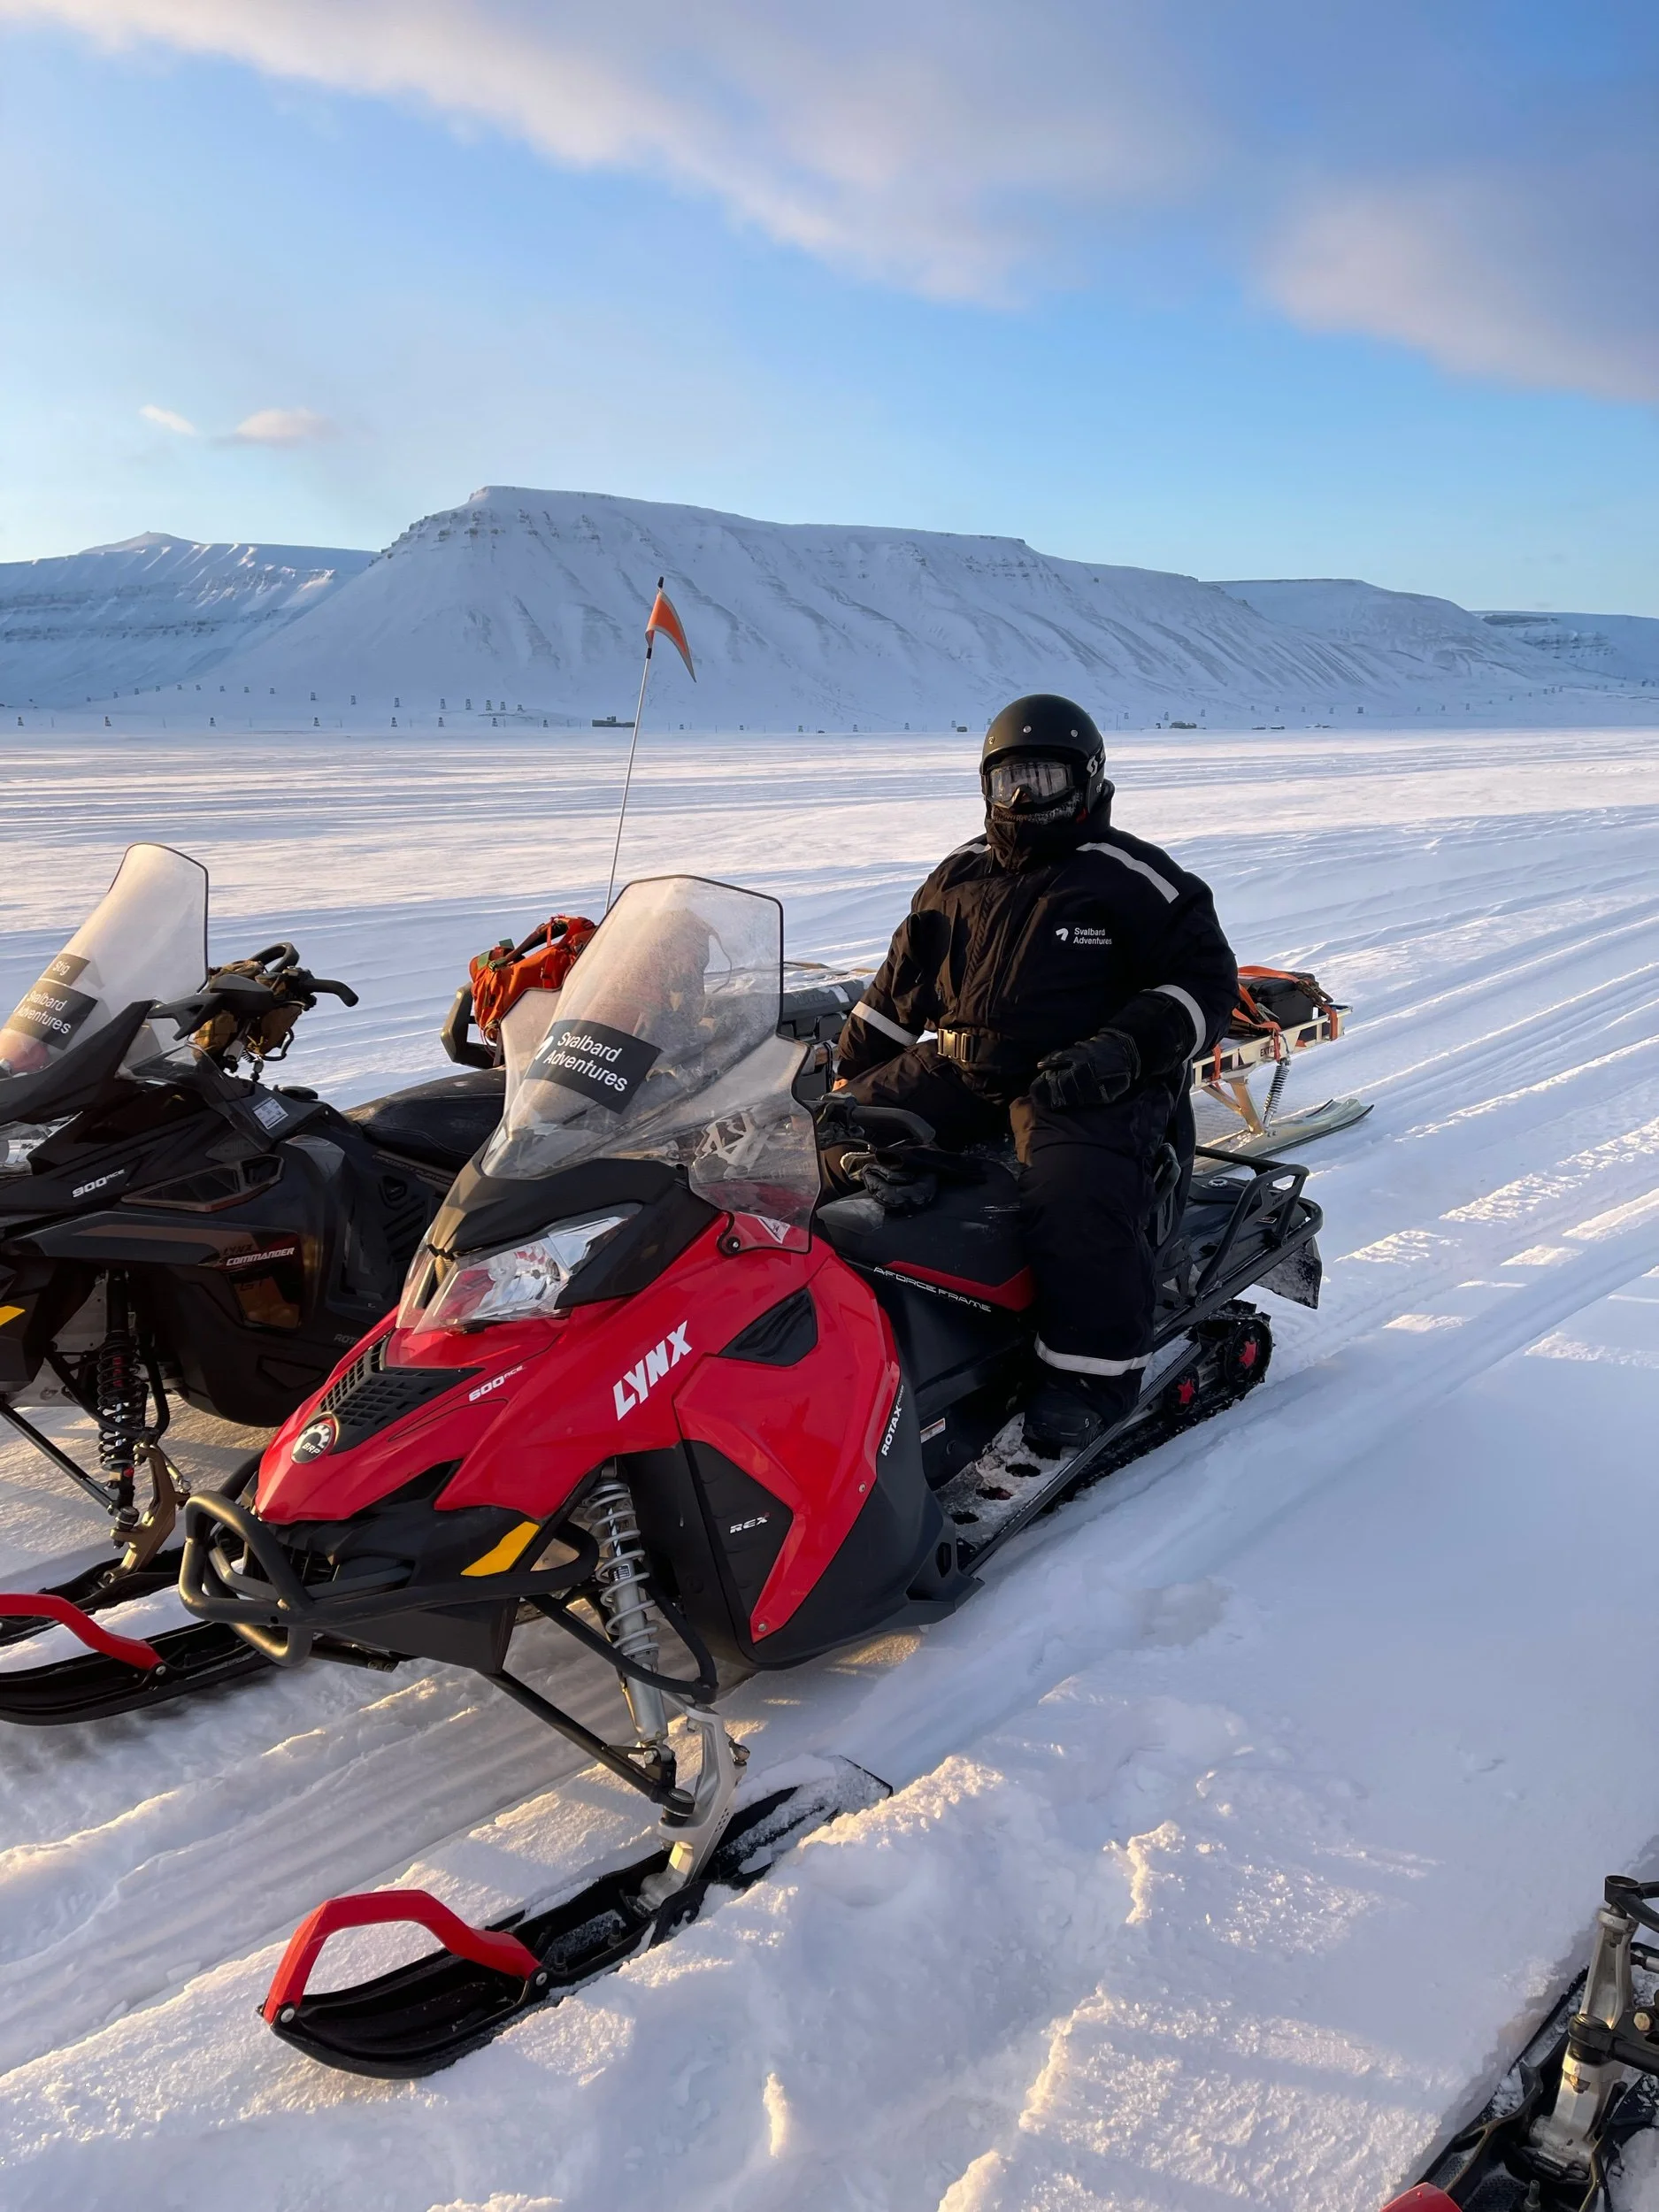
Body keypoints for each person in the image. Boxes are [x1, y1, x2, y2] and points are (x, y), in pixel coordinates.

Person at [833, 694, 1239, 1454]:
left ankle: (1090, 1375)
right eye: (1007, 782)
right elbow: (895, 996)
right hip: (958, 1064)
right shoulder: (956, 877)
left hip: (1080, 1080)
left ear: (1085, 781)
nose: (1022, 800)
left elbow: (1201, 987)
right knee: (809, 1142)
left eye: (1042, 781)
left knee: (1074, 1193)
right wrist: (837, 1081)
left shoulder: (1132, 878)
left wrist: (1120, 1050)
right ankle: (801, 1318)